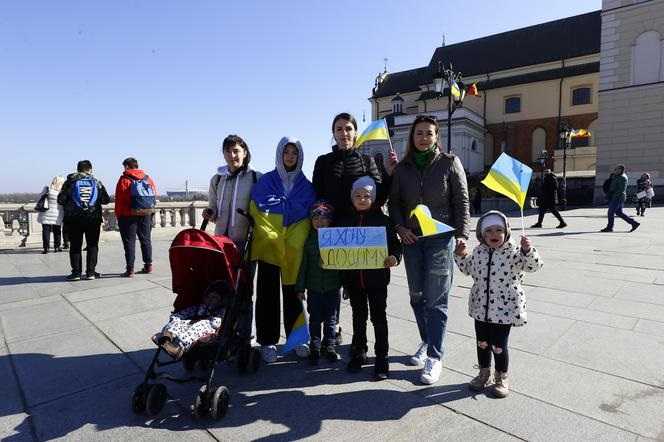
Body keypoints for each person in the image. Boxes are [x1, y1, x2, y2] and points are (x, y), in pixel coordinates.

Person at [388, 115, 470, 385]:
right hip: (412, 239)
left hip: (440, 237)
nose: (424, 137)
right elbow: (395, 202)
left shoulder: (449, 162)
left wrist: (462, 234)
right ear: (412, 137)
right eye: (419, 133)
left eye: (429, 133)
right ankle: (427, 339)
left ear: (437, 137)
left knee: (436, 300)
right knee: (416, 296)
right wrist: (401, 228)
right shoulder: (402, 168)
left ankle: (435, 356)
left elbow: (461, 200)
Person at [312, 112, 397, 346]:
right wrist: (320, 223)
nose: (344, 133)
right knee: (331, 284)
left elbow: (378, 194)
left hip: (360, 231)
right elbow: (317, 196)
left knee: (356, 289)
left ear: (355, 132)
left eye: (348, 128)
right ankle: (333, 328)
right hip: (333, 232)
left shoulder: (366, 160)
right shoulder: (322, 161)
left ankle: (348, 336)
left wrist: (390, 173)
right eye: (339, 129)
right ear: (333, 133)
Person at [454, 211, 542, 397]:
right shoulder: (479, 251)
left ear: (507, 231)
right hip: (481, 308)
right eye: (489, 231)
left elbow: (533, 266)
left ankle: (501, 376)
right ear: (482, 234)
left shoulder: (514, 252)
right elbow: (467, 269)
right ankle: (483, 373)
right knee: (483, 343)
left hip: (505, 308)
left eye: (499, 230)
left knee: (499, 345)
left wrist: (528, 251)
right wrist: (461, 255)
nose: (494, 234)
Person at [250, 137, 315, 363]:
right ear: (279, 154)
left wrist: (294, 240)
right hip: (269, 248)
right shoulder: (266, 181)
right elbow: (257, 210)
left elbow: (308, 216)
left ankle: (297, 339)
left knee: (294, 294)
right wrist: (273, 236)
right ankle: (267, 342)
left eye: (294, 153)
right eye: (286, 152)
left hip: (293, 250)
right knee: (267, 293)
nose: (290, 157)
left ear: (300, 157)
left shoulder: (306, 186)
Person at [338, 177, 401, 380]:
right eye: (358, 195)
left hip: (377, 280)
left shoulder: (383, 221)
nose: (362, 199)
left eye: (367, 196)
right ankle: (359, 351)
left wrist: (395, 258)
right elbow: (337, 250)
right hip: (354, 280)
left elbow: (395, 245)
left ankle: (382, 357)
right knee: (358, 318)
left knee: (379, 318)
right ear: (352, 198)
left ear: (373, 198)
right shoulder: (345, 220)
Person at [295, 200, 342, 365]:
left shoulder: (337, 240)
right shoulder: (309, 241)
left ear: (330, 220)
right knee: (314, 320)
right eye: (315, 219)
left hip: (333, 287)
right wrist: (300, 288)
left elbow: (344, 265)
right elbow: (303, 266)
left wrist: (346, 286)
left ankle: (329, 346)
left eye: (323, 219)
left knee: (331, 320)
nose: (319, 222)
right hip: (314, 288)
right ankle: (314, 347)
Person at [204, 135, 261, 249]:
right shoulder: (217, 179)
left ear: (244, 153)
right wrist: (209, 213)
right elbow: (213, 210)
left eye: (236, 151)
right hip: (220, 243)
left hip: (247, 244)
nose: (232, 155)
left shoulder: (257, 178)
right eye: (228, 151)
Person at [58, 160, 111, 281]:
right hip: (93, 219)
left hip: (74, 219)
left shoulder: (70, 182)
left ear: (77, 169)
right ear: (90, 169)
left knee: (75, 246)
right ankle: (91, 272)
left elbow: (61, 200)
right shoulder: (96, 182)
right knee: (92, 245)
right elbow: (106, 200)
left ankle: (76, 273)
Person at [153, 280, 232, 360]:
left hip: (206, 328)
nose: (210, 299)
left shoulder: (220, 311)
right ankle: (167, 337)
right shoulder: (200, 306)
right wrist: (176, 318)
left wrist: (211, 315)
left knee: (195, 328)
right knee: (178, 322)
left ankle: (178, 348)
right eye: (209, 297)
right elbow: (187, 312)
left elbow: (216, 324)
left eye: (215, 298)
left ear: (221, 301)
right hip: (192, 322)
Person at [114, 157, 158, 277]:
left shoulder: (124, 179)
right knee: (146, 240)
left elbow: (120, 199)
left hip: (128, 215)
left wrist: (118, 215)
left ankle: (130, 270)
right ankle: (148, 265)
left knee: (129, 242)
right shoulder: (148, 178)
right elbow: (153, 195)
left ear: (127, 166)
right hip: (145, 213)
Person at [601, 164, 640, 233]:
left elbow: (621, 189)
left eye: (617, 169)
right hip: (616, 197)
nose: (615, 170)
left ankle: (609, 227)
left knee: (610, 212)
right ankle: (634, 223)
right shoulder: (617, 176)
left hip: (618, 197)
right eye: (615, 169)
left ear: (621, 170)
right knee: (619, 213)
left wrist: (612, 195)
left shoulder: (622, 177)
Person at [36, 176, 65, 253]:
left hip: (46, 212)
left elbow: (39, 197)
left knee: (46, 231)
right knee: (57, 231)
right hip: (57, 213)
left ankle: (46, 248)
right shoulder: (62, 191)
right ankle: (57, 247)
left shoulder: (47, 189)